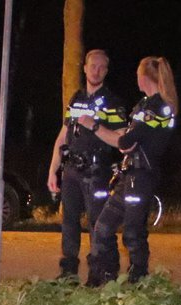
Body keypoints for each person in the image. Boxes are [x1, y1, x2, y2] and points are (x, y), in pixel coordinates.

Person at [83, 56, 178, 287]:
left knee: (133, 232)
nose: (135, 78)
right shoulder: (143, 106)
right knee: (102, 226)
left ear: (144, 77)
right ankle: (104, 277)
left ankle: (138, 280)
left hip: (142, 176)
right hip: (128, 175)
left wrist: (94, 126)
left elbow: (125, 141)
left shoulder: (157, 108)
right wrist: (120, 137)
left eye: (137, 74)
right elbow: (126, 138)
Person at [47, 49, 127, 280]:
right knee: (69, 222)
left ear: (107, 71)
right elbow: (63, 136)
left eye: (102, 67)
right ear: (84, 67)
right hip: (71, 168)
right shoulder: (77, 98)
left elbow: (121, 139)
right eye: (93, 66)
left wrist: (95, 126)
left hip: (96, 170)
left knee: (96, 223)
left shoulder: (113, 103)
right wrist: (53, 169)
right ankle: (68, 272)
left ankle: (98, 273)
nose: (96, 71)